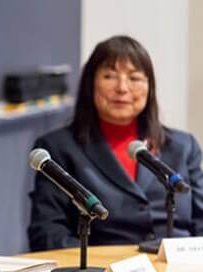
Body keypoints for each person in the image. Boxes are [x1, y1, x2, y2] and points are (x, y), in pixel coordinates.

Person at [28, 35, 203, 251]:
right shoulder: (58, 148)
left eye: (135, 78)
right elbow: (47, 233)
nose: (122, 88)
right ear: (90, 84)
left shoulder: (183, 146)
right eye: (109, 76)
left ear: (149, 87)